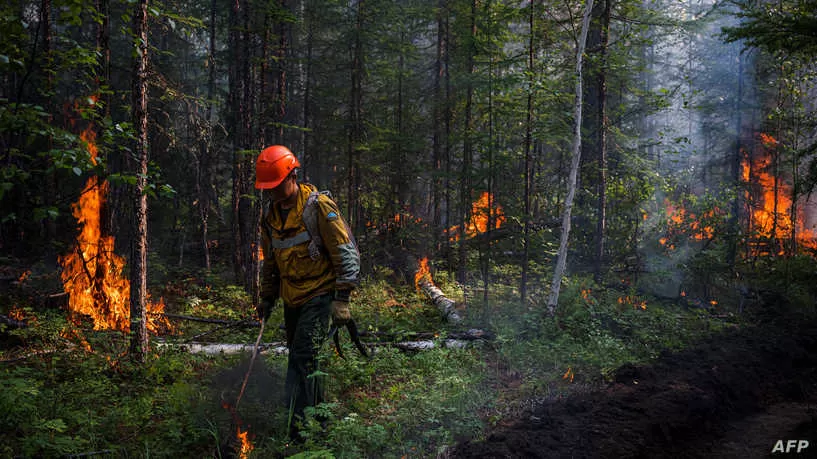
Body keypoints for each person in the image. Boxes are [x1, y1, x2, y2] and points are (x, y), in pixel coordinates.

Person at [253, 145, 360, 439]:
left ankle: (299, 432)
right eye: (268, 188)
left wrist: (342, 298)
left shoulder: (317, 207)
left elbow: (344, 252)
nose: (272, 192)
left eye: (276, 185)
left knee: (301, 357)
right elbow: (271, 262)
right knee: (304, 359)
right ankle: (319, 418)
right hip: (292, 298)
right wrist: (266, 297)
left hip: (320, 294)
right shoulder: (271, 217)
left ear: (292, 175)